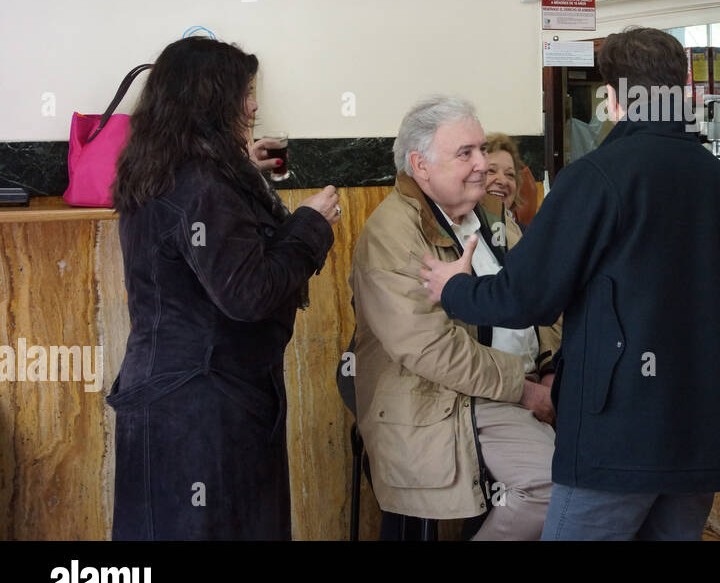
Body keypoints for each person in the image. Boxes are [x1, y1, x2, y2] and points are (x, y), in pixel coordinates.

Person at [420, 27, 720, 541]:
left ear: (613, 99)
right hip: (702, 436)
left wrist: (455, 288)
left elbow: (524, 298)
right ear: (681, 91)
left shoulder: (597, 178)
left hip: (618, 434)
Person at [108, 38, 340, 540]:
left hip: (170, 396)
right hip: (205, 407)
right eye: (246, 92)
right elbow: (248, 293)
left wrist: (243, 173)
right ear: (211, 98)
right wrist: (310, 225)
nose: (254, 104)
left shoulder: (157, 166)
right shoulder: (202, 185)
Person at [349, 98, 561, 540]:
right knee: (554, 487)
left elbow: (541, 296)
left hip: (510, 388)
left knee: (600, 472)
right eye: (465, 153)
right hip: (442, 401)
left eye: (482, 150)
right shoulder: (393, 232)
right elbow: (429, 349)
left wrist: (550, 366)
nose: (483, 165)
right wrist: (523, 390)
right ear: (420, 166)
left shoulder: (492, 216)